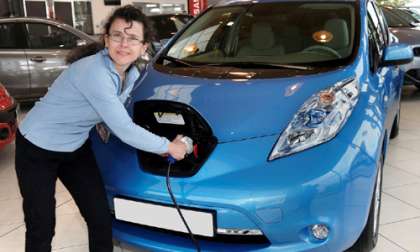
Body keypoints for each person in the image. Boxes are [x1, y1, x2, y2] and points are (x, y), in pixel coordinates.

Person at [14, 5, 188, 252]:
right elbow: (124, 129)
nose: (123, 43)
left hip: (75, 146)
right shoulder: (93, 71)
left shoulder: (133, 73)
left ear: (144, 47)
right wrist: (170, 146)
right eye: (117, 35)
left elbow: (117, 114)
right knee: (41, 225)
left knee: (99, 218)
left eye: (132, 38)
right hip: (37, 148)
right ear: (106, 39)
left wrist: (158, 144)